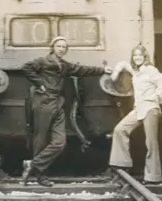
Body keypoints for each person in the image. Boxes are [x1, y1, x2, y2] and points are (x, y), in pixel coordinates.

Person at [21, 36, 112, 187]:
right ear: (53, 47)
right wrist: (39, 84)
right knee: (41, 139)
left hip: (58, 103)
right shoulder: (43, 61)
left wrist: (102, 69)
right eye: (59, 46)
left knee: (59, 142)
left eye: (64, 47)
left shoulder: (65, 65)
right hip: (44, 102)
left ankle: (33, 164)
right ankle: (41, 176)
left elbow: (83, 70)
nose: (62, 49)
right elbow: (26, 68)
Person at [108, 45, 162, 184]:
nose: (137, 58)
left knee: (151, 143)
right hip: (139, 108)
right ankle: (121, 163)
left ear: (145, 56)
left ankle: (153, 177)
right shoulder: (136, 72)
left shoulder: (151, 70)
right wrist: (115, 73)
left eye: (140, 55)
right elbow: (123, 64)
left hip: (150, 108)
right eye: (135, 55)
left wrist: (155, 96)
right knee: (120, 130)